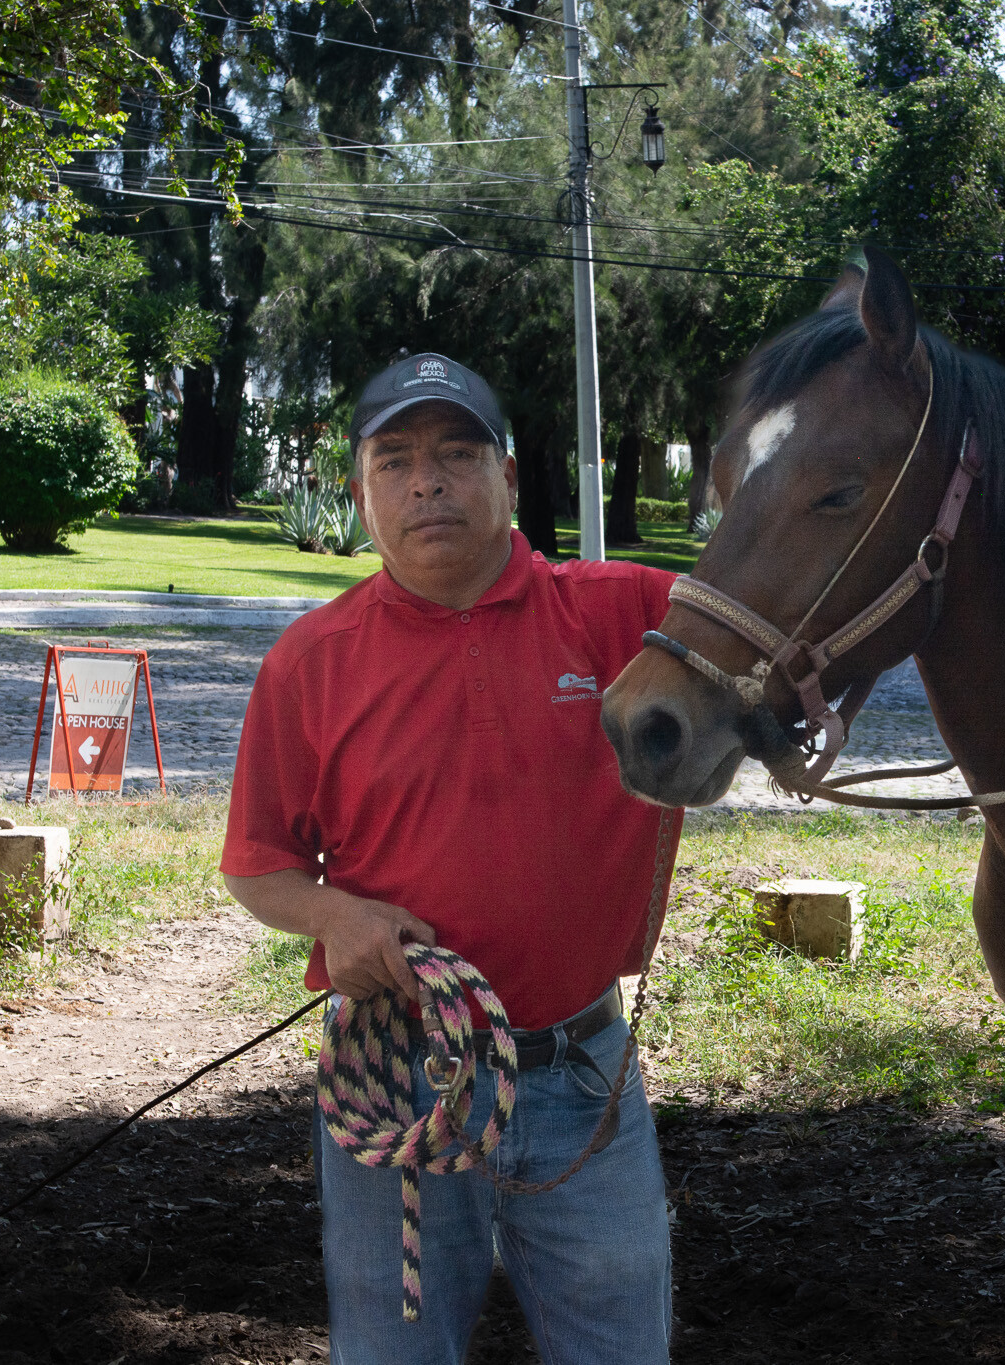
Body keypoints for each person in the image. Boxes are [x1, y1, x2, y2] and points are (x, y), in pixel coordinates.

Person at [221, 352, 681, 1365]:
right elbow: (258, 865)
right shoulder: (309, 661)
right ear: (360, 495)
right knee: (393, 1355)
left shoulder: (621, 614)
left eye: (456, 453)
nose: (425, 480)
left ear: (509, 480)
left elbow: (778, 618)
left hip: (579, 1070)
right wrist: (337, 918)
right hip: (398, 1076)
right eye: (394, 459)